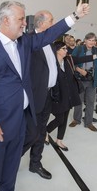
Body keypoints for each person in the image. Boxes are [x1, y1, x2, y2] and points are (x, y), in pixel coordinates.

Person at [0, 0, 90, 191]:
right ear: (6, 20)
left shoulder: (24, 42)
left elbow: (49, 33)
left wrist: (74, 16)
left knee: (10, 173)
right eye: (21, 19)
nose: (25, 23)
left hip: (22, 119)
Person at [47, 41, 97, 150]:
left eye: (66, 48)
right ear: (57, 50)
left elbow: (83, 59)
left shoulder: (68, 60)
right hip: (57, 96)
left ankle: (59, 140)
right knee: (59, 118)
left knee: (64, 119)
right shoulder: (51, 62)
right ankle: (45, 131)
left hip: (69, 95)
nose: (66, 51)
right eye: (64, 49)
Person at [28, 10, 58, 180]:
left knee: (41, 131)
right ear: (41, 23)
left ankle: (35, 163)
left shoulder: (51, 43)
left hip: (48, 95)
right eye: (51, 20)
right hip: (33, 97)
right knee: (28, 133)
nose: (53, 24)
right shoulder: (30, 40)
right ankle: (9, 163)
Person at [69, 32, 97, 132]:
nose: (91, 42)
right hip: (80, 79)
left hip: (92, 80)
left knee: (91, 102)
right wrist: (78, 69)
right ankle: (76, 120)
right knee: (78, 101)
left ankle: (88, 122)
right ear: (85, 40)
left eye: (93, 40)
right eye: (89, 40)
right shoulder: (79, 49)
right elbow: (71, 61)